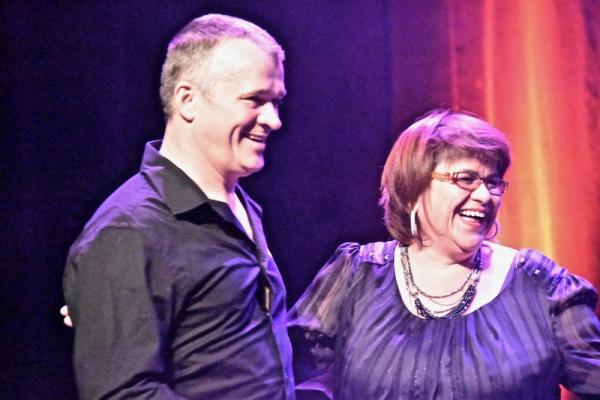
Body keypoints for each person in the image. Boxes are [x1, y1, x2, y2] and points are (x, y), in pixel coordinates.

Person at [288, 109, 600, 399]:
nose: (484, 195)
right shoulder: (357, 275)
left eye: (493, 182)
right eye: (466, 179)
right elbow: (279, 374)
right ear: (412, 189)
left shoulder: (541, 285)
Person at [63, 14, 295, 399]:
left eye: (276, 102)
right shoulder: (128, 232)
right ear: (187, 100)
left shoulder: (241, 206)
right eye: (255, 100)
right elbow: (123, 393)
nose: (274, 120)